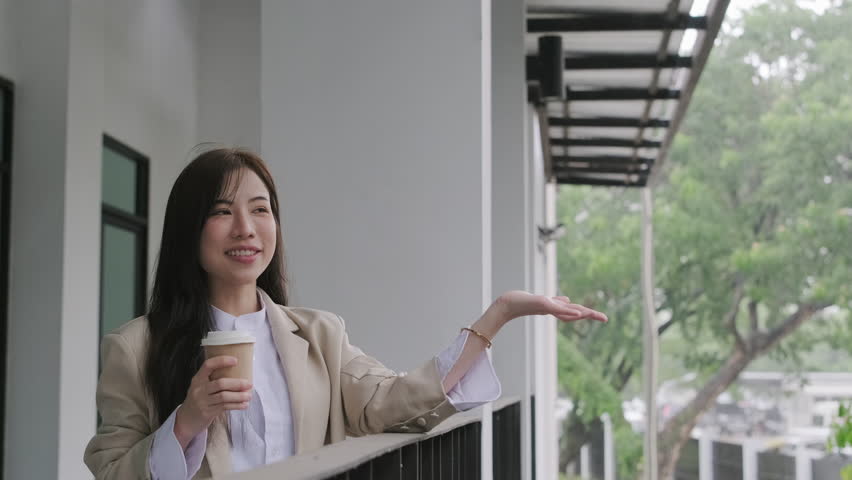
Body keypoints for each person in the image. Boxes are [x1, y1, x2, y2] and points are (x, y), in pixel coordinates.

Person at [83, 148, 607, 479]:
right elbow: (109, 471)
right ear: (188, 230)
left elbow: (392, 402)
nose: (245, 228)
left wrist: (497, 317)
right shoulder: (136, 347)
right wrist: (186, 421)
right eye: (222, 212)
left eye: (260, 209)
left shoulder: (317, 335)